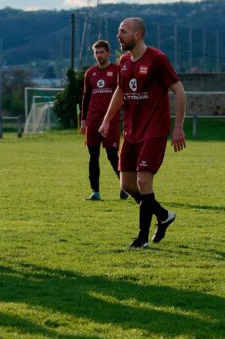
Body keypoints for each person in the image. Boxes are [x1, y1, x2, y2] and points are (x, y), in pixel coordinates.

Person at [99, 17, 186, 249]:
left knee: (143, 180)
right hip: (131, 131)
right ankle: (163, 214)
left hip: (154, 130)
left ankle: (142, 238)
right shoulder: (124, 60)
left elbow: (179, 90)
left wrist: (178, 127)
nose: (118, 36)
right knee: (126, 184)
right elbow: (120, 90)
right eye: (118, 31)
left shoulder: (157, 59)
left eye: (123, 32)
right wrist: (107, 120)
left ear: (137, 35)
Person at [80, 40, 125, 201]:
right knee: (93, 157)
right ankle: (95, 192)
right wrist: (83, 120)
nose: (99, 55)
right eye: (96, 53)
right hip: (93, 120)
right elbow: (86, 98)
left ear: (108, 53)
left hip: (110, 120)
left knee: (113, 156)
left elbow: (123, 95)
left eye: (101, 52)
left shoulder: (117, 71)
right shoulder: (90, 73)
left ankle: (125, 188)